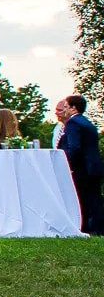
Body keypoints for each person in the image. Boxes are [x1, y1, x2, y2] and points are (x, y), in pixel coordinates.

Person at [56, 96, 103, 236]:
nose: (64, 110)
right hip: (93, 167)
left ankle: (86, 228)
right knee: (95, 199)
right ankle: (98, 228)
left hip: (82, 169)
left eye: (66, 107)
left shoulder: (73, 123)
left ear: (73, 108)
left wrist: (66, 164)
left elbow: (74, 147)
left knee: (82, 199)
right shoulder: (86, 122)